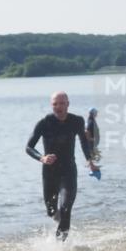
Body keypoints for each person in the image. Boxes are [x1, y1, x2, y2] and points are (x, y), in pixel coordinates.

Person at [26, 92, 98, 241]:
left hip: (68, 171)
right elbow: (28, 147)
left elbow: (84, 142)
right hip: (49, 173)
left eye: (61, 103)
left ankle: (59, 247)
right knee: (51, 211)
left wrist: (90, 161)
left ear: (67, 104)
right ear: (52, 105)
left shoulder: (76, 121)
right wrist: (42, 157)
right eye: (55, 104)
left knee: (66, 208)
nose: (58, 107)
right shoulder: (44, 122)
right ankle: (64, 225)